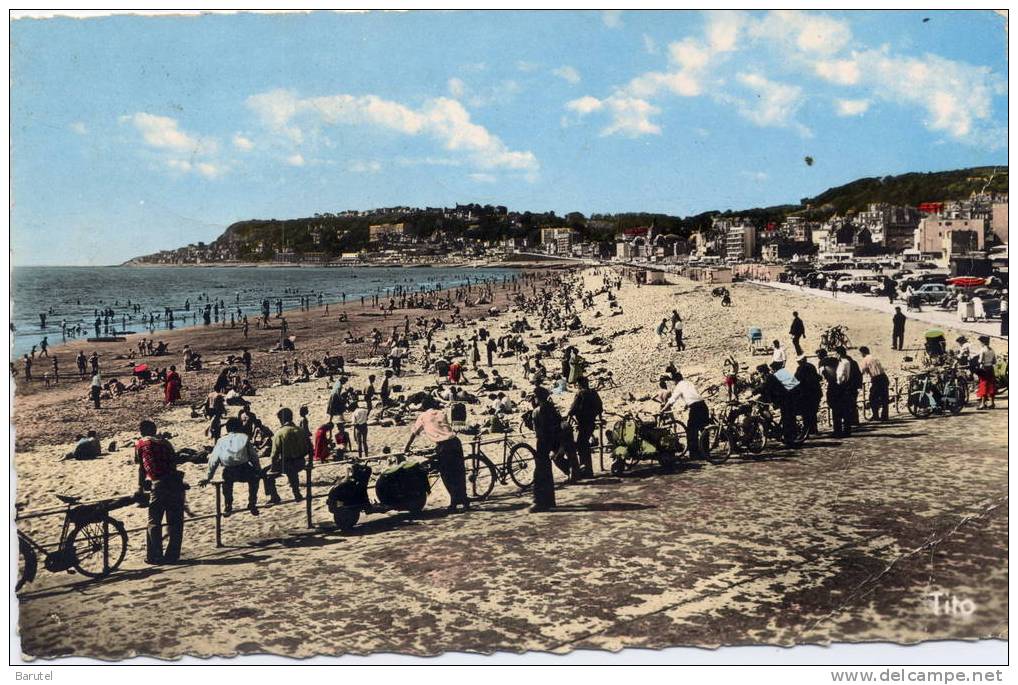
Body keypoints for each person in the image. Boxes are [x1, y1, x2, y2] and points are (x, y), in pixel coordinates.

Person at [135, 420, 184, 565]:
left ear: (141, 431)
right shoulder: (165, 443)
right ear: (155, 430)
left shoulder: (141, 444)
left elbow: (142, 468)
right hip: (174, 482)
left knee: (154, 521)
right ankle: (172, 555)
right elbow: (173, 463)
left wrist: (140, 485)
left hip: (159, 484)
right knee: (175, 521)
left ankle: (155, 556)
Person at [403, 407, 470, 513]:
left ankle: (454, 504)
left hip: (443, 445)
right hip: (455, 442)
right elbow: (443, 429)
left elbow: (414, 433)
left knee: (447, 475)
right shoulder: (442, 413)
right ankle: (465, 501)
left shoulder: (423, 416)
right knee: (459, 473)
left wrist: (406, 448)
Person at [200, 417, 261, 516]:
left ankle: (228, 504)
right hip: (244, 468)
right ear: (240, 427)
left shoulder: (221, 440)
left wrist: (208, 477)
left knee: (227, 484)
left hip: (229, 470)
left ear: (227, 429)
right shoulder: (244, 437)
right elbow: (254, 457)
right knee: (254, 480)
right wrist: (258, 470)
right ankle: (252, 502)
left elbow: (213, 460)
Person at [263, 408, 308, 504]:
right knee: (292, 470)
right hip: (300, 462)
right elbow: (309, 449)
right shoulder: (300, 430)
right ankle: (296, 493)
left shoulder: (280, 433)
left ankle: (274, 496)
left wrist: (272, 468)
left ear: (281, 419)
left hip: (287, 463)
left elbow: (274, 455)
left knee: (266, 474)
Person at [662, 370, 708, 459]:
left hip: (695, 408)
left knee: (691, 430)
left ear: (675, 380)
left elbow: (672, 399)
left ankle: (694, 454)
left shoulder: (679, 386)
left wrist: (664, 409)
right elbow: (693, 395)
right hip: (703, 405)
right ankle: (706, 453)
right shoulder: (689, 383)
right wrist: (687, 404)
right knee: (704, 429)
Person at [529, 386, 560, 512]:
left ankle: (539, 502)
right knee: (547, 472)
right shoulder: (552, 408)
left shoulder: (537, 411)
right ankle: (550, 501)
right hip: (552, 443)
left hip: (542, 443)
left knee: (539, 473)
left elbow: (537, 430)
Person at [566, 377, 602, 479]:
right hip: (591, 422)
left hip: (583, 423)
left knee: (581, 445)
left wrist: (569, 415)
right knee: (584, 444)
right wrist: (598, 417)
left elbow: (573, 408)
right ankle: (587, 470)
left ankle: (585, 470)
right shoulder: (593, 393)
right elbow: (600, 407)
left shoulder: (580, 394)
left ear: (580, 384)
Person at [859, 346, 889, 421]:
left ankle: (875, 415)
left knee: (872, 398)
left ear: (863, 353)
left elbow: (862, 371)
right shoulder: (875, 357)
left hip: (876, 379)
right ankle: (885, 416)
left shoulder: (865, 359)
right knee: (884, 397)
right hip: (884, 377)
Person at [794, 355, 822, 436]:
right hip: (815, 393)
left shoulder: (800, 369)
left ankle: (808, 430)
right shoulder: (811, 366)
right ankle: (814, 429)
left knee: (806, 413)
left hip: (806, 394)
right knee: (813, 412)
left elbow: (796, 380)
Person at [836, 346, 863, 427]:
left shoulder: (843, 362)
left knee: (847, 404)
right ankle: (854, 420)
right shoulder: (853, 362)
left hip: (847, 386)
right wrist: (859, 385)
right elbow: (859, 374)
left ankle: (849, 422)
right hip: (854, 386)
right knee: (853, 403)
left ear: (839, 354)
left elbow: (841, 376)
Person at [975, 335, 997, 410]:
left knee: (983, 385)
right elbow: (994, 361)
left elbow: (980, 361)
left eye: (980, 342)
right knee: (991, 385)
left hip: (984, 368)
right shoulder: (992, 350)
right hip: (991, 368)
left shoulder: (982, 350)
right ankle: (992, 403)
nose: (980, 343)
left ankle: (983, 404)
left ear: (983, 342)